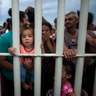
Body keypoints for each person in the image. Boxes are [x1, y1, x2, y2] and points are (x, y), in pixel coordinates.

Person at [0, 8, 30, 96]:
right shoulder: (4, 38)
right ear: (19, 22)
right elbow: (2, 61)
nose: (28, 23)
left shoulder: (29, 36)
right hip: (12, 81)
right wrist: (22, 70)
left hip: (30, 80)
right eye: (26, 20)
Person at [8, 25, 34, 95]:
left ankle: (31, 83)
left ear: (34, 38)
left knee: (35, 73)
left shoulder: (36, 47)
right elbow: (12, 49)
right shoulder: (20, 46)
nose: (27, 38)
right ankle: (23, 83)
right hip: (22, 65)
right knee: (21, 73)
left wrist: (42, 48)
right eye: (24, 36)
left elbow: (41, 55)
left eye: (30, 36)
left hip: (32, 65)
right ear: (21, 38)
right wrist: (10, 50)